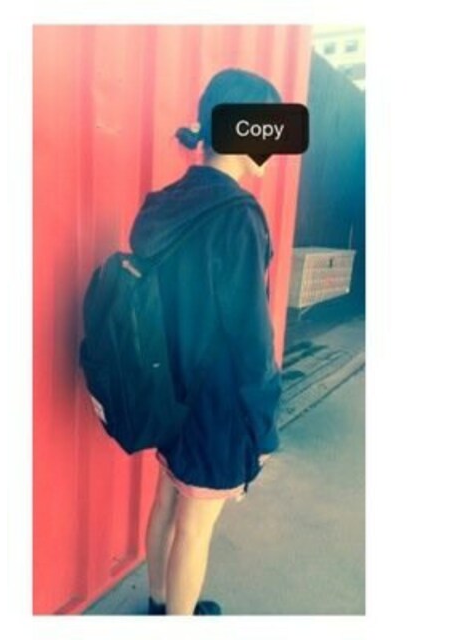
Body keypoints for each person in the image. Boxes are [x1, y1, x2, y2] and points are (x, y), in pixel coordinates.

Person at [128, 68, 283, 616]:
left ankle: (158, 603)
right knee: (195, 529)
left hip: (168, 390)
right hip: (217, 405)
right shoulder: (238, 217)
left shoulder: (165, 201)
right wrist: (262, 425)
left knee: (166, 501)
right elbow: (251, 339)